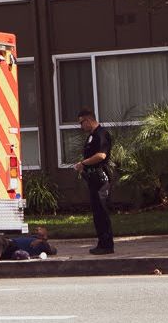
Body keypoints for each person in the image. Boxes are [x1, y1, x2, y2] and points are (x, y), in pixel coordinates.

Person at [73, 109, 114, 255]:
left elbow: (101, 155)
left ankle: (107, 245)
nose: (81, 126)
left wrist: (83, 163)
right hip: (93, 179)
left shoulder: (101, 134)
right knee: (97, 213)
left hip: (101, 179)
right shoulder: (91, 136)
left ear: (89, 120)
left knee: (102, 212)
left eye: (81, 122)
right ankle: (101, 243)